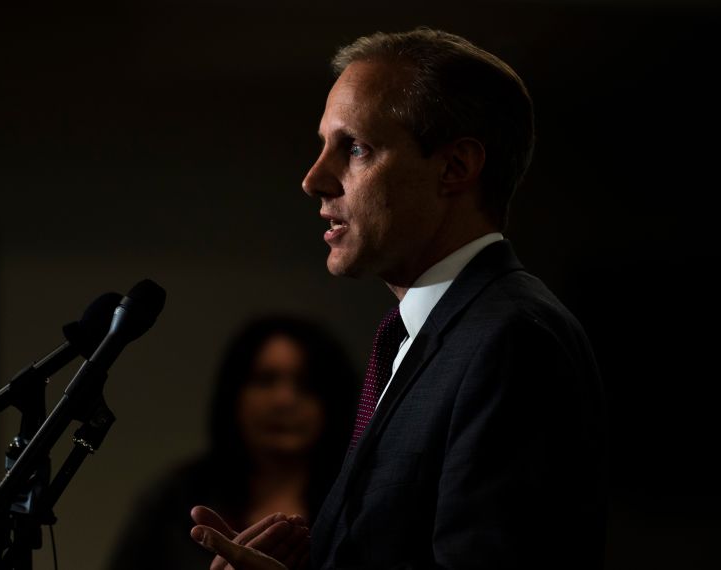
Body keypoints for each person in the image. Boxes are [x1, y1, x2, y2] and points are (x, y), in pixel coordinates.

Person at [188, 27, 607, 569]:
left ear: (455, 168)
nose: (314, 180)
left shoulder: (511, 338)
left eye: (355, 148)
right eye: (322, 148)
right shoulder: (434, 334)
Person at [108, 315, 357, 569]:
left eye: (306, 385)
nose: (284, 400)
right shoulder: (175, 499)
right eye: (265, 380)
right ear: (234, 395)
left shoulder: (360, 500)